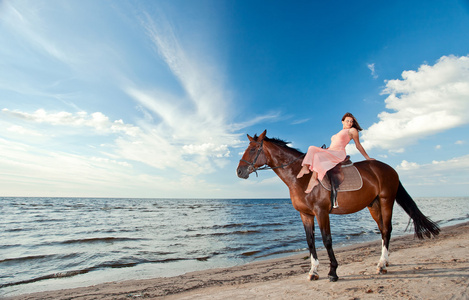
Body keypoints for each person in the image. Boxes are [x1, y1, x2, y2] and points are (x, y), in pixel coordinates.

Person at [297, 112, 374, 193]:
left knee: (317, 156)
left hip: (338, 153)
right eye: (347, 121)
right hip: (330, 150)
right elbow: (334, 144)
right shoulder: (339, 132)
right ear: (342, 121)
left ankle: (314, 179)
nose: (350, 123)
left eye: (351, 121)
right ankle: (305, 167)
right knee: (311, 148)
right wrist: (325, 149)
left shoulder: (352, 130)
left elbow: (358, 145)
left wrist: (367, 158)